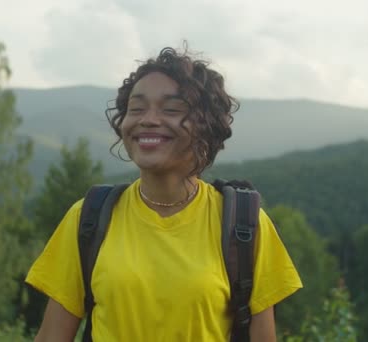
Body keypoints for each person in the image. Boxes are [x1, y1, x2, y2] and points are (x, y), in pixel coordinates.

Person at [26, 46, 302, 341]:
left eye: (171, 109)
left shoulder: (245, 226)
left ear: (206, 126)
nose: (148, 119)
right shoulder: (87, 217)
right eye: (136, 108)